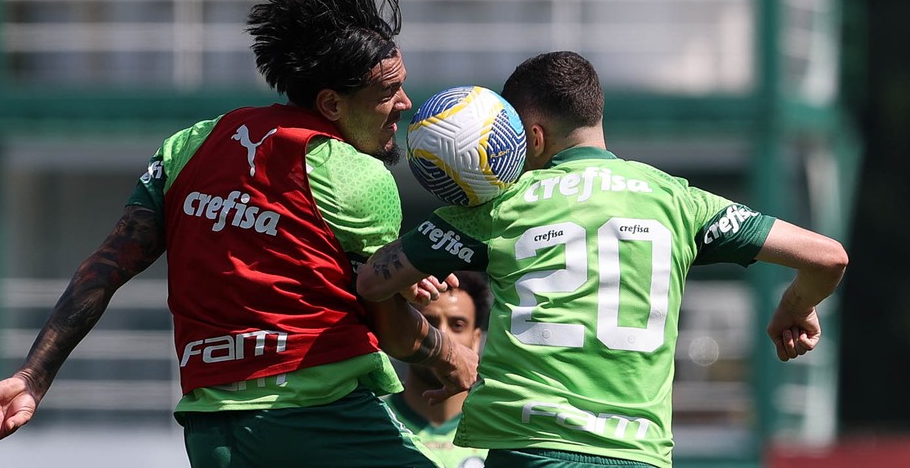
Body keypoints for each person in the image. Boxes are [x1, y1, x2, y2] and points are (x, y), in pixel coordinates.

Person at [0, 0, 478, 468]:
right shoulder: (356, 175)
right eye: (389, 89)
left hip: (213, 435)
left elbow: (106, 267)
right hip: (317, 418)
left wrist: (33, 375)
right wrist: (448, 355)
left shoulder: (189, 145)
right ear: (331, 104)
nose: (405, 103)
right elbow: (391, 326)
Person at [357, 51, 849, 468]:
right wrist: (796, 306)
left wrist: (414, 300)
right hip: (637, 453)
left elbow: (371, 282)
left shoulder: (500, 205)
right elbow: (827, 258)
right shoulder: (679, 201)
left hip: (529, 449)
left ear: (530, 137)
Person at [386, 271, 492, 468]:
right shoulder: (374, 419)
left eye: (457, 325)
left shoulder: (500, 429)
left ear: (476, 339)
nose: (442, 336)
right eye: (428, 323)